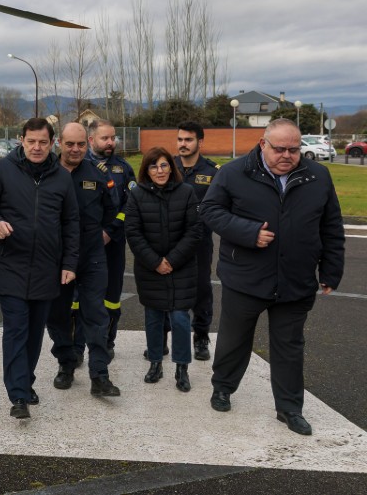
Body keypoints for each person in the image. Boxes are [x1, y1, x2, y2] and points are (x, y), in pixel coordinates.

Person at [200, 119, 345, 436]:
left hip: (295, 281)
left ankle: (290, 408)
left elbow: (331, 227)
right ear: (263, 144)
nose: (287, 155)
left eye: (294, 149)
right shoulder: (234, 173)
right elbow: (210, 210)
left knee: (290, 347)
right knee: (234, 340)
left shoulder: (317, 176)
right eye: (279, 148)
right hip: (245, 277)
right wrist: (249, 232)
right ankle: (222, 387)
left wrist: (332, 269)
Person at [0, 118, 80, 419]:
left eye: (42, 142)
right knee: (16, 329)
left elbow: (72, 223)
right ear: (21, 140)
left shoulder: (61, 178)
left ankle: (26, 382)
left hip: (48, 268)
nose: (36, 147)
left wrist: (69, 263)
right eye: (31, 141)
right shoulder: (3, 170)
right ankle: (18, 394)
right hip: (11, 265)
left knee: (35, 333)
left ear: (52, 143)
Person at [46, 122, 121, 395]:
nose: (75, 149)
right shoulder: (46, 173)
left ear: (87, 144)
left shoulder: (99, 175)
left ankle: (99, 375)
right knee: (58, 317)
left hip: (92, 257)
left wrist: (108, 233)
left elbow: (115, 212)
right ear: (59, 144)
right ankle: (66, 364)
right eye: (69, 144)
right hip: (57, 259)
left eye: (80, 144)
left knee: (96, 316)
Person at [124, 146, 202, 392]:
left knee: (180, 318)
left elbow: (194, 231)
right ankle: (155, 363)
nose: (160, 171)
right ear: (146, 170)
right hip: (150, 268)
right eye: (154, 166)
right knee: (154, 318)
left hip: (182, 268)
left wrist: (172, 260)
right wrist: (156, 261)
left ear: (172, 166)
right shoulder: (136, 195)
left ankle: (182, 368)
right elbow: (133, 233)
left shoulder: (187, 192)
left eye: (164, 165)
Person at [87, 119, 135, 356]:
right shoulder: (77, 165)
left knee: (112, 296)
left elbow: (130, 205)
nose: (110, 142)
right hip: (83, 242)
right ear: (91, 140)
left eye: (112, 137)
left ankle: (107, 342)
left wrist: (110, 231)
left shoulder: (123, 168)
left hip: (112, 242)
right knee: (76, 297)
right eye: (104, 138)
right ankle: (76, 345)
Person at [175, 121, 220, 360]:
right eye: (180, 139)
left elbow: (220, 208)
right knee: (167, 287)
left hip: (200, 242)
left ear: (200, 142)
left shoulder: (213, 172)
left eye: (188, 140)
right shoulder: (167, 166)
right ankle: (162, 335)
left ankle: (201, 336)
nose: (183, 144)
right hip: (170, 241)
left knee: (201, 287)